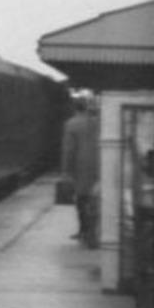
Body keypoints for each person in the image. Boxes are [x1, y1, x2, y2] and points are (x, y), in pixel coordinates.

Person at [61, 100, 100, 246]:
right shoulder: (97, 123)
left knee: (82, 200)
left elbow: (69, 150)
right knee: (93, 198)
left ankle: (85, 231)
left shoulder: (71, 124)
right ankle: (90, 230)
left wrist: (66, 171)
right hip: (98, 164)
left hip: (81, 166)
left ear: (74, 109)